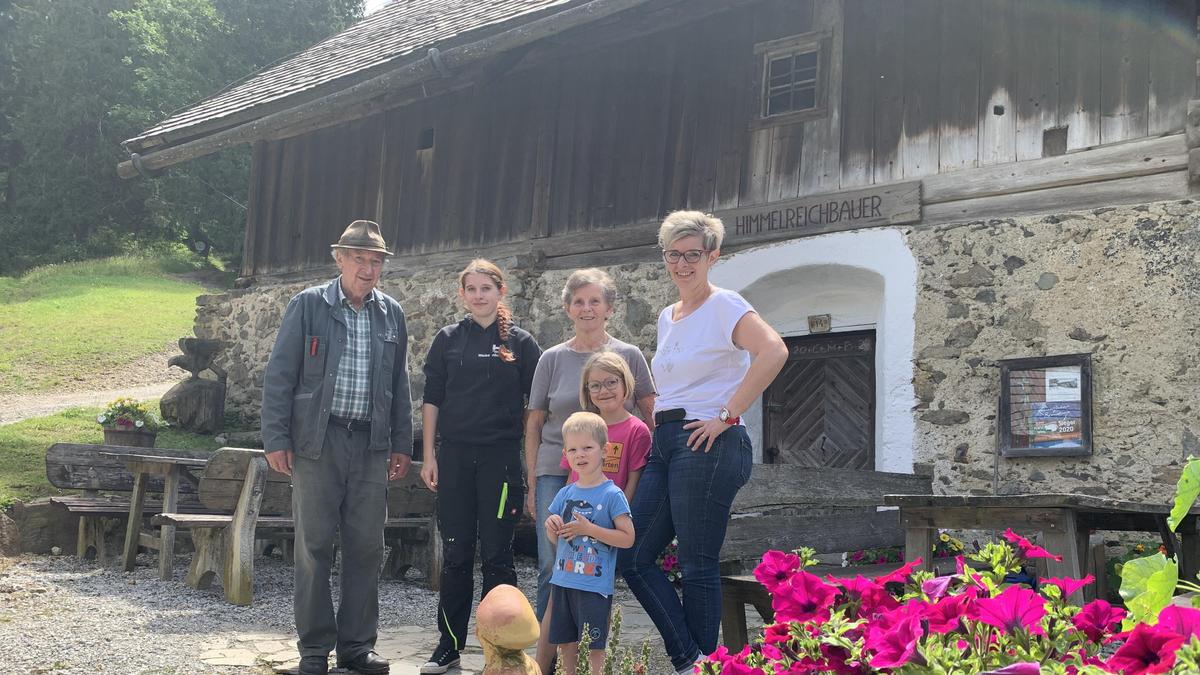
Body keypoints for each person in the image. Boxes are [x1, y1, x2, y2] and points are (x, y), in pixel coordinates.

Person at [618, 211, 788, 675]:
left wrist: (728, 414)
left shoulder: (725, 304)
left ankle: (700, 666)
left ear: (713, 256)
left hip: (708, 439)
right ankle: (694, 660)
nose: (682, 263)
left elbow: (773, 350)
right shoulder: (667, 316)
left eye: (693, 254)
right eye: (674, 254)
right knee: (632, 554)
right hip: (667, 440)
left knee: (696, 562)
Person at [261, 219, 413, 675]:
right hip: (317, 443)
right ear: (340, 259)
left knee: (367, 546)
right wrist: (276, 438)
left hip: (370, 444)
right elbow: (279, 376)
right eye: (360, 259)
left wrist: (401, 443)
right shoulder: (308, 306)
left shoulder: (391, 314)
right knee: (313, 546)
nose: (368, 269)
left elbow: (399, 384)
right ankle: (313, 652)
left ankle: (356, 647)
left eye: (376, 262)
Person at [524, 268, 654, 673]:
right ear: (567, 308)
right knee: (551, 565)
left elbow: (648, 412)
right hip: (557, 470)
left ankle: (589, 654)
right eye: (578, 301)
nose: (586, 308)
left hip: (611, 479)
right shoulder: (552, 358)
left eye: (594, 300)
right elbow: (534, 423)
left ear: (609, 308)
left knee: (597, 562)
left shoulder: (628, 354)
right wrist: (531, 483)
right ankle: (544, 662)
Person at [419, 259, 542, 675]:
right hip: (453, 458)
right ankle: (448, 647)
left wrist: (530, 465)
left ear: (500, 292)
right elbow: (432, 398)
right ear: (463, 294)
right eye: (471, 289)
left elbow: (536, 410)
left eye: (486, 288)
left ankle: (501, 652)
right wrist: (430, 455)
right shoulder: (448, 339)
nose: (478, 295)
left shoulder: (521, 344)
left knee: (497, 557)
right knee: (455, 557)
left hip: (501, 462)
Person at [545, 412, 635, 675]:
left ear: (604, 450)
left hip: (593, 586)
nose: (580, 455)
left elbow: (628, 538)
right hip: (562, 582)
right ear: (565, 454)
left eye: (587, 447)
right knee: (566, 645)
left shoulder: (612, 494)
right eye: (573, 449)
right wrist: (553, 527)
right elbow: (556, 540)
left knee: (595, 647)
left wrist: (590, 529)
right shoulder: (565, 494)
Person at [558, 351, 652, 501]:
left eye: (611, 382)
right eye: (595, 385)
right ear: (587, 390)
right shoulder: (581, 426)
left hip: (611, 518)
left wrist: (620, 516)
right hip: (577, 512)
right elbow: (572, 475)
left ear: (625, 383)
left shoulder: (637, 430)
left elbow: (634, 482)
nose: (604, 391)